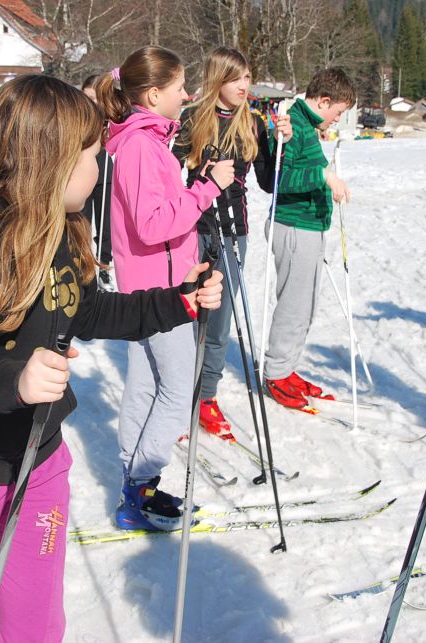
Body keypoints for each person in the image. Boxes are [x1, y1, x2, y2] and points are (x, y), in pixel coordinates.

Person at [0, 74, 222, 642]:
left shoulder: (62, 231)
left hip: (36, 461)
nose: (100, 172)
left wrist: (178, 302)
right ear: (50, 160)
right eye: (93, 158)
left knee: (35, 624)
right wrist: (12, 380)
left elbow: (85, 312)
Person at [95, 46, 235, 530]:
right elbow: (153, 226)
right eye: (180, 88)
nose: (188, 95)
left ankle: (137, 489)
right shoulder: (138, 146)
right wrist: (207, 188)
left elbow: (158, 215)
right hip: (158, 294)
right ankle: (140, 484)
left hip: (161, 283)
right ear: (154, 95)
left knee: (147, 387)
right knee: (176, 392)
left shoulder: (148, 142)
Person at [172, 46, 293, 440]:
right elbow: (169, 175)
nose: (244, 85)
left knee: (221, 320)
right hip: (194, 228)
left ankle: (206, 396)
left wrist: (280, 146)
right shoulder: (191, 119)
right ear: (218, 79)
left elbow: (268, 181)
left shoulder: (253, 121)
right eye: (236, 78)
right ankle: (179, 396)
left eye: (247, 78)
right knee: (190, 316)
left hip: (232, 232)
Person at [261, 68, 355, 411]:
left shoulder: (306, 125)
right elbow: (280, 179)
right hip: (294, 227)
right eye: (338, 112)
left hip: (310, 227)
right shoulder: (293, 125)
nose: (338, 119)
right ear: (324, 101)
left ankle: (286, 367)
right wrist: (323, 175)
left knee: (305, 305)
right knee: (294, 304)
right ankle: (276, 373)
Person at [81, 74, 114, 289]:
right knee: (82, 222)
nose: (90, 102)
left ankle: (104, 267)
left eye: (94, 98)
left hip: (104, 172)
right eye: (86, 97)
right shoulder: (77, 117)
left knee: (105, 226)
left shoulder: (108, 120)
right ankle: (81, 266)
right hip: (82, 174)